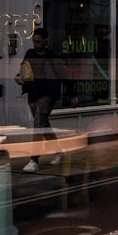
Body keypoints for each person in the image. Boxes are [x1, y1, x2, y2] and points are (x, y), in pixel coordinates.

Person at [14, 27, 77, 172]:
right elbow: (24, 70)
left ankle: (33, 161)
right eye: (33, 41)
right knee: (44, 124)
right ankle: (59, 150)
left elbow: (64, 76)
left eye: (38, 41)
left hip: (48, 95)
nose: (35, 44)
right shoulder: (30, 53)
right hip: (33, 94)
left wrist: (72, 95)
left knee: (37, 126)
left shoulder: (53, 56)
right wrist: (19, 77)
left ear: (45, 41)